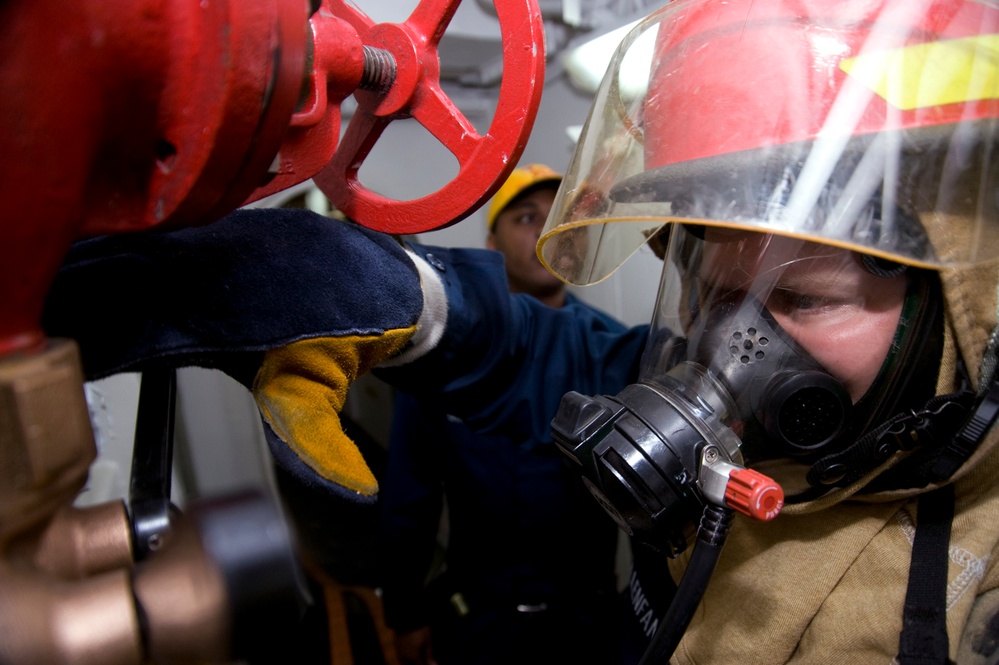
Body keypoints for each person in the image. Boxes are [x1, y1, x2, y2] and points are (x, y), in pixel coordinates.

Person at [41, 0, 999, 662]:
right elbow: (536, 354)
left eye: (806, 297)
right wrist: (397, 299)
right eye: (707, 289)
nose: (728, 354)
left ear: (964, 300)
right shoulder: (707, 405)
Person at [377, 164, 625, 665]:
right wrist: (404, 613)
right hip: (478, 622)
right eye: (525, 217)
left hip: (587, 624)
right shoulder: (447, 359)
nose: (544, 228)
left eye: (558, 217)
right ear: (492, 245)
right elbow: (410, 496)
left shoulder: (612, 352)